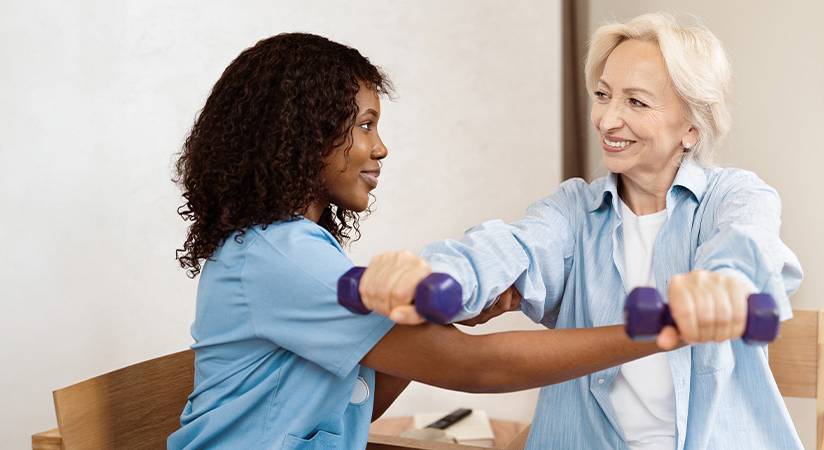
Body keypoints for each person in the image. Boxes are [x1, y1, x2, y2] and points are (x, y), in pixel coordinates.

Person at [165, 33, 669, 450]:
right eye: (365, 125)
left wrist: (436, 316)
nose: (380, 148)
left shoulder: (288, 247)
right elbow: (478, 367)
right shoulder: (284, 258)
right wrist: (658, 333)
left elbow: (352, 407)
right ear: (300, 134)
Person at [355, 13, 805, 450]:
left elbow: (747, 247)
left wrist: (719, 287)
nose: (607, 120)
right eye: (603, 95)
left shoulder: (735, 195)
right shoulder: (573, 210)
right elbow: (511, 248)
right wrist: (434, 275)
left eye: (636, 102)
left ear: (691, 125)